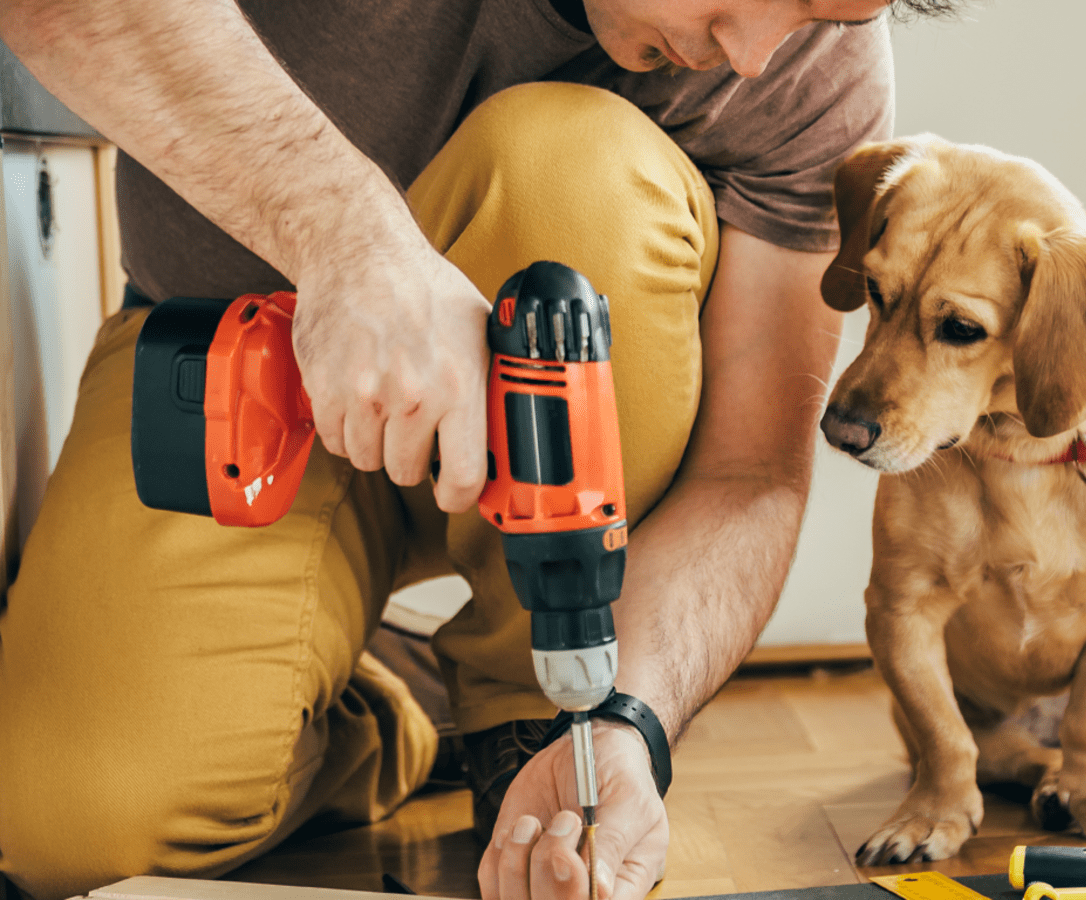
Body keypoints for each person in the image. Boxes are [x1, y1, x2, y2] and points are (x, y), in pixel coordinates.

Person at [0, 1, 960, 899]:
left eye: (829, 14)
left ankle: (532, 711)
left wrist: (632, 718)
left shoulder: (809, 73)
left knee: (567, 164)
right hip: (233, 358)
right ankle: (394, 702)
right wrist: (349, 241)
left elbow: (749, 475)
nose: (754, 54)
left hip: (530, 424)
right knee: (71, 826)